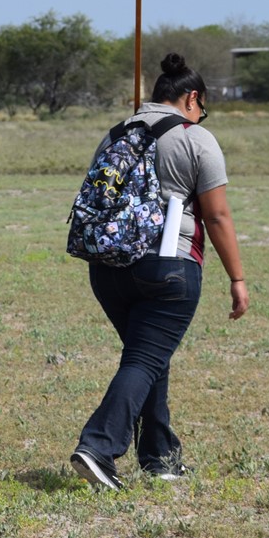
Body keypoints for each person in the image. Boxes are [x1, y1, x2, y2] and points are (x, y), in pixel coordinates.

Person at [70, 53, 249, 491]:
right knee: (145, 358)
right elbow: (218, 216)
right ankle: (98, 446)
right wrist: (237, 278)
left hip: (107, 268)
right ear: (191, 98)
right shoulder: (195, 138)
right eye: (201, 108)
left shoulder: (116, 135)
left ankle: (160, 456)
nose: (201, 115)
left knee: (150, 357)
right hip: (168, 266)